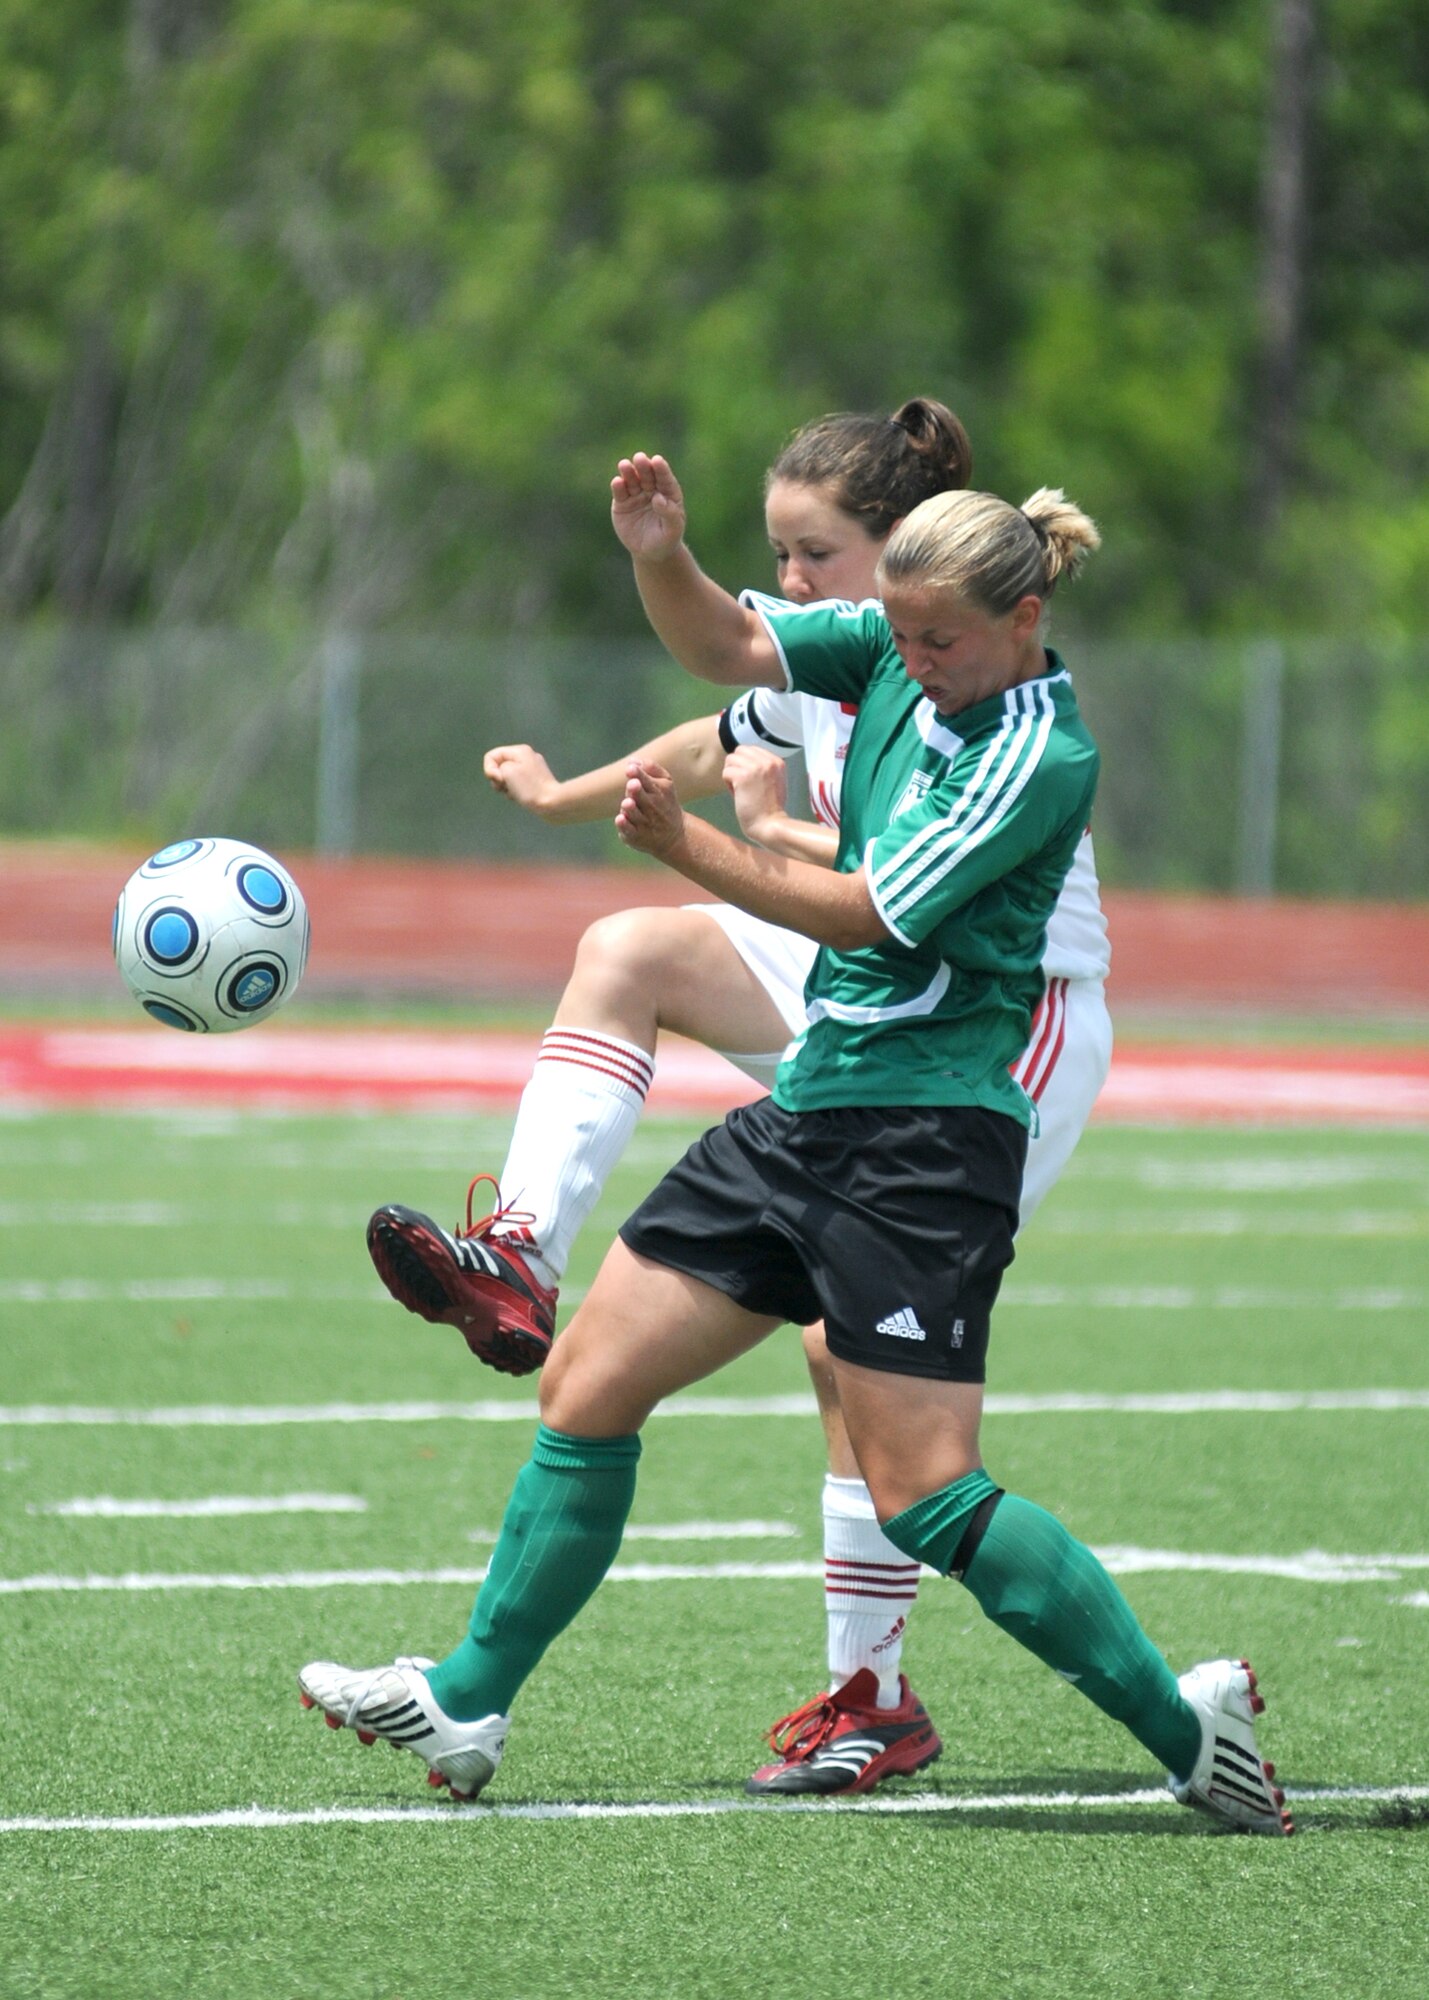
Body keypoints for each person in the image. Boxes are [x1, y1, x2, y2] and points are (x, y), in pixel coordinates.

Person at [301, 482, 1291, 1837]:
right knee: (587, 1383)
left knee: (928, 1495)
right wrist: (660, 557)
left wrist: (690, 845)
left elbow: (871, 915)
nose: (910, 660)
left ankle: (1190, 1738)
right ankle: (469, 1697)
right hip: (808, 1109)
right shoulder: (895, 642)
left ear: (1024, 617)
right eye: (900, 632)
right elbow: (722, 652)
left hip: (921, 1145)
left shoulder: (1034, 752)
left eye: (938, 639)